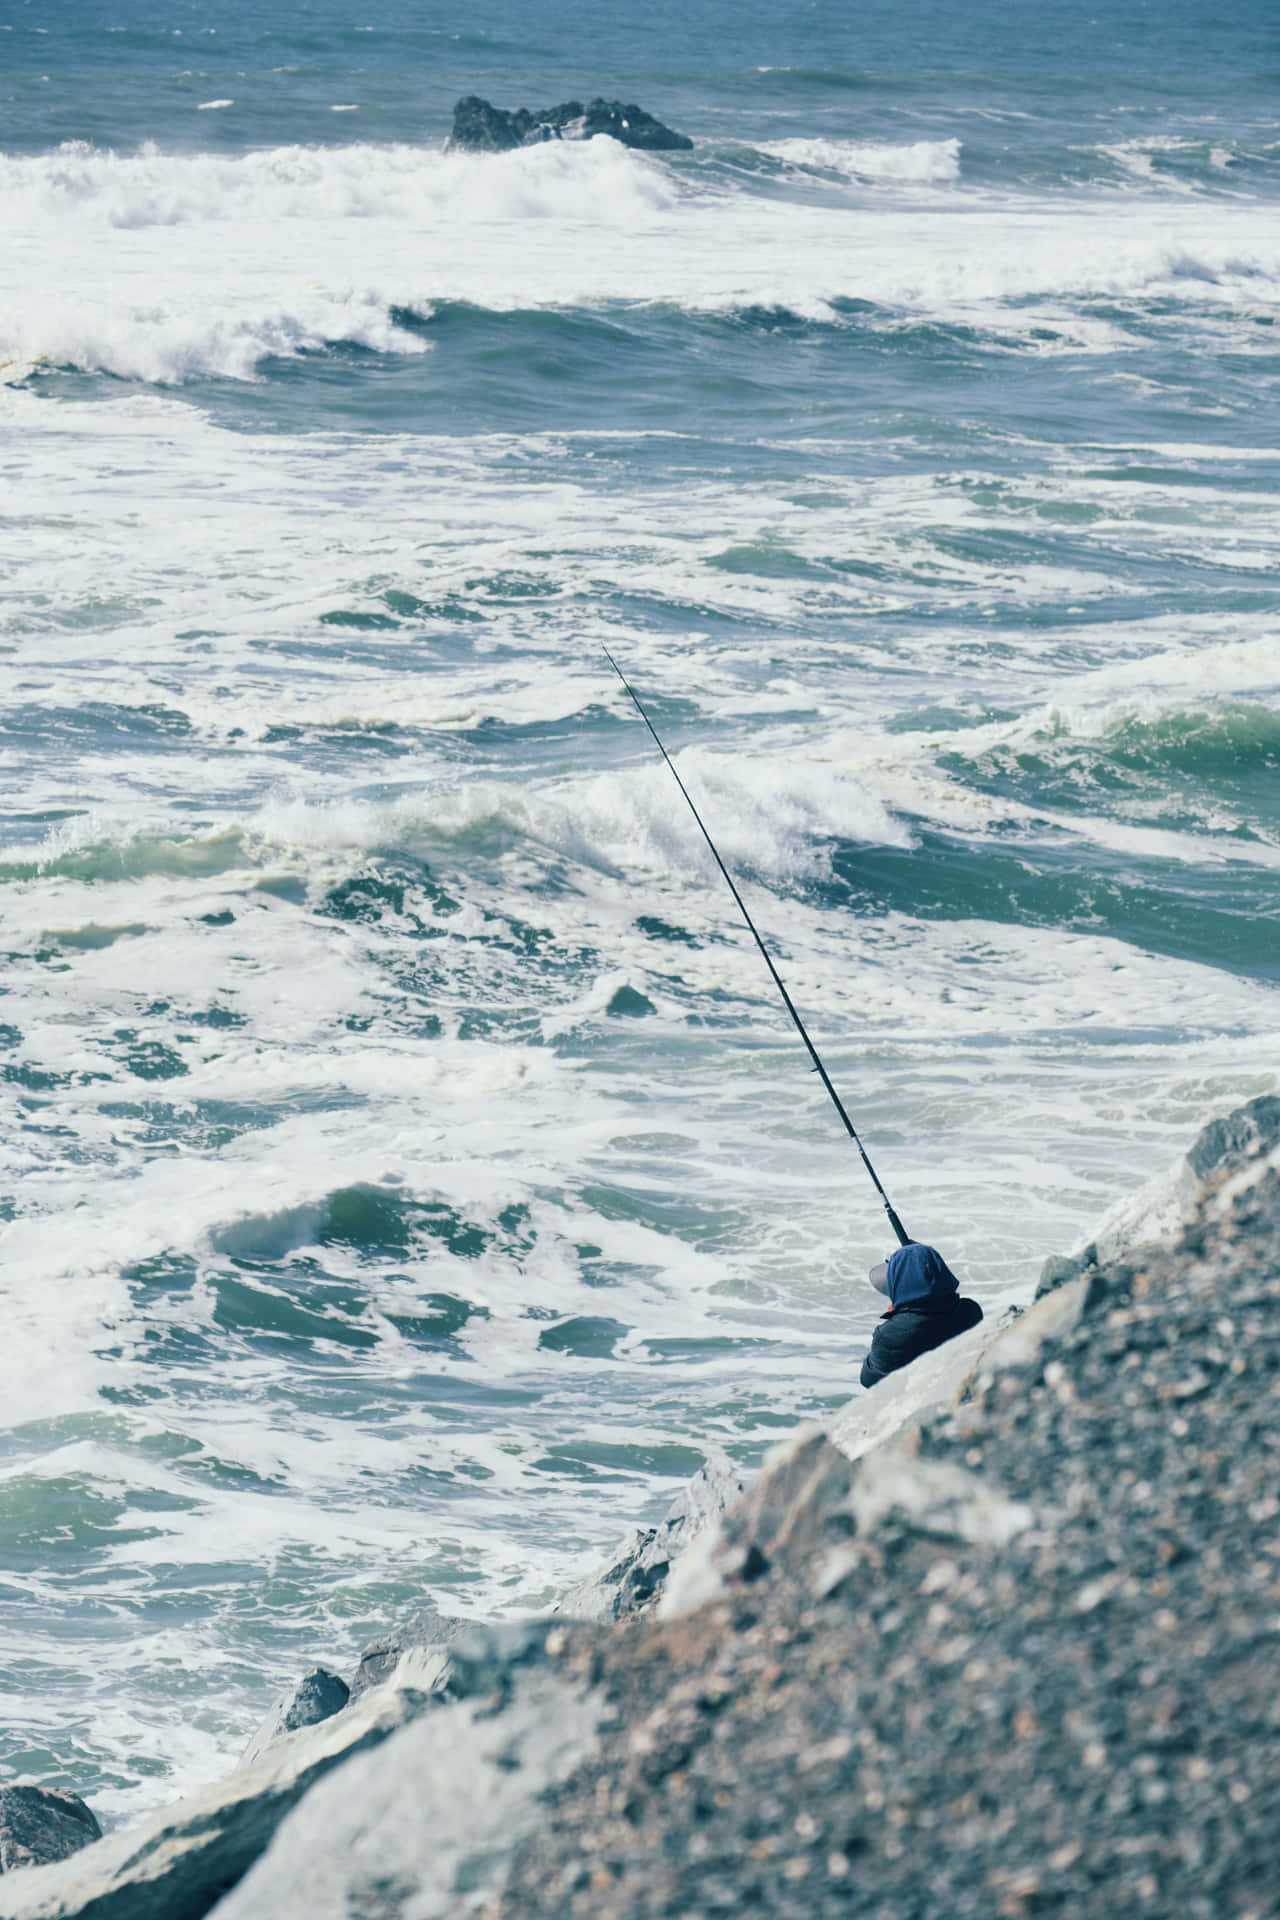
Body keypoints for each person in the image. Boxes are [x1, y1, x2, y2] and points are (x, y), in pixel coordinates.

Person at [859, 1242, 983, 1389]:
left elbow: (868, 1380)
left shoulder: (889, 1336)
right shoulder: (970, 1312)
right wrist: (922, 1259)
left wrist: (898, 1315)